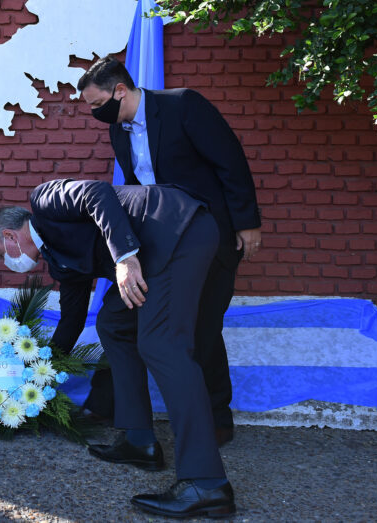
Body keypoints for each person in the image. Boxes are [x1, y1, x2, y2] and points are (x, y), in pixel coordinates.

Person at [0, 179, 237, 518]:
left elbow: (97, 193)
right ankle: (139, 440)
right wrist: (35, 377)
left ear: (10, 236)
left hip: (177, 230)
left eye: (1, 255)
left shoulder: (44, 200)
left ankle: (206, 483)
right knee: (113, 324)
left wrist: (125, 257)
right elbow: (71, 322)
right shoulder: (58, 261)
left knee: (161, 345)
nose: (6, 262)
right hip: (155, 251)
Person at [77, 56, 262, 445]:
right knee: (124, 314)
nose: (95, 112)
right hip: (159, 240)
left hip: (207, 233)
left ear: (120, 90)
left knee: (203, 326)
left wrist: (247, 222)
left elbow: (230, 161)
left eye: (97, 104)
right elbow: (131, 188)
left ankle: (216, 419)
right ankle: (108, 404)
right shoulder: (118, 131)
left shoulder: (182, 105)